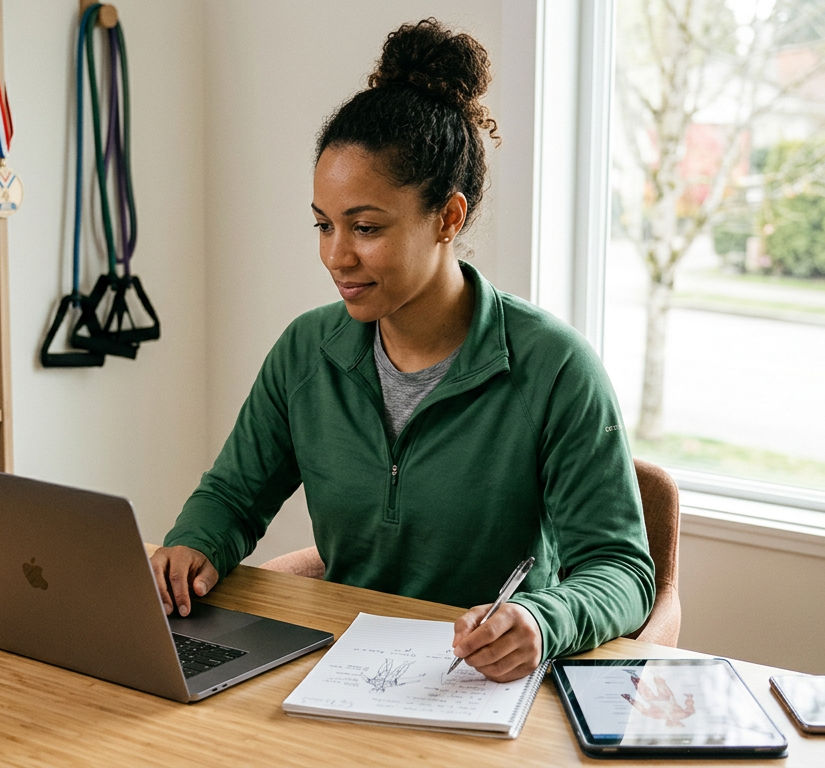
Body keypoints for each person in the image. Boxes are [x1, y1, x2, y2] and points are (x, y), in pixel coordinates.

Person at [151, 18, 654, 683]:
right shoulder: (308, 351)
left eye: (365, 227)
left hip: (482, 686)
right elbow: (235, 495)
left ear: (448, 217)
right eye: (323, 224)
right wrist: (193, 543)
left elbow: (622, 571)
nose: (336, 255)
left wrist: (541, 619)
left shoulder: (555, 368)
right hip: (339, 673)